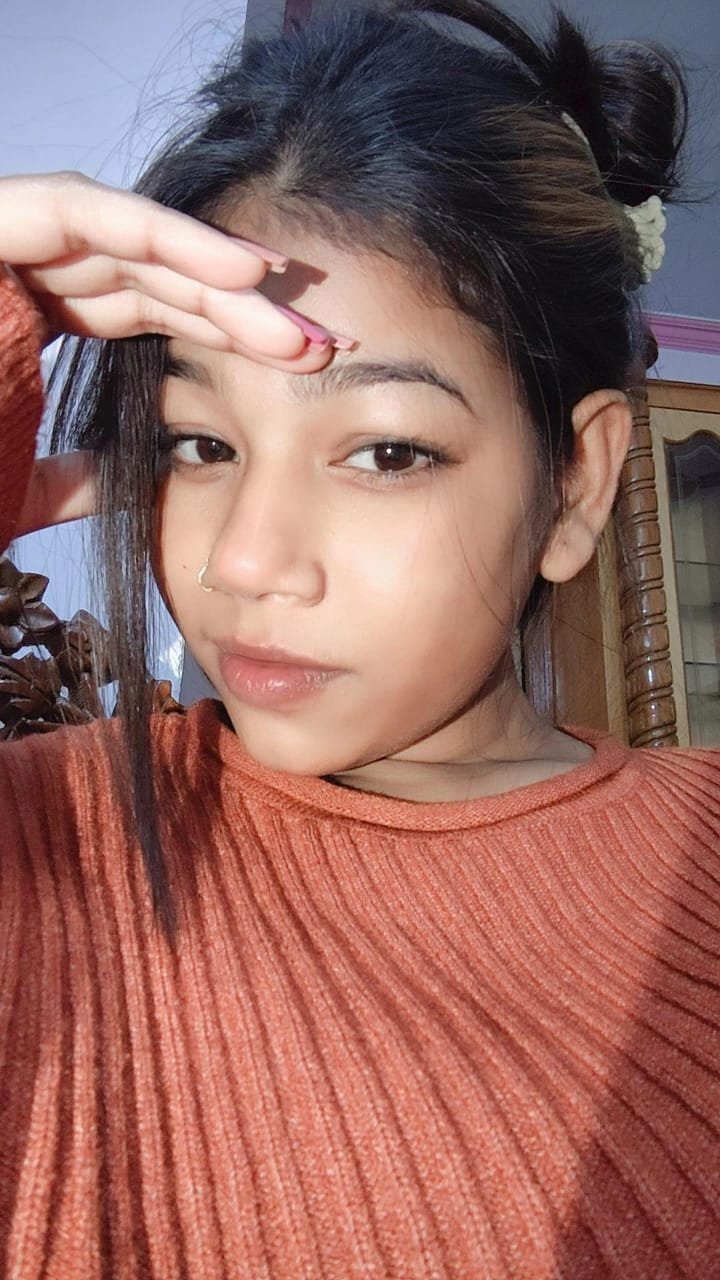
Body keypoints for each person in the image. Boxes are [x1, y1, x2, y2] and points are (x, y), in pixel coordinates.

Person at [1, 1, 718, 1276]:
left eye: (387, 451)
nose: (244, 559)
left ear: (577, 483)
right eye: (200, 443)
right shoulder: (43, 840)